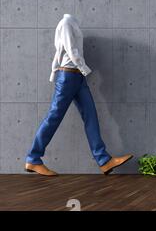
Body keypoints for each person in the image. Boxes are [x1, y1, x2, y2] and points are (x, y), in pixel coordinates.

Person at [24, 14, 132, 176]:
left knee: (90, 115)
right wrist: (84, 69)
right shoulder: (67, 22)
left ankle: (104, 160)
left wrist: (79, 73)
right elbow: (70, 49)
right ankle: (33, 158)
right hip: (69, 75)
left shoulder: (71, 23)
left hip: (76, 76)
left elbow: (61, 50)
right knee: (54, 116)